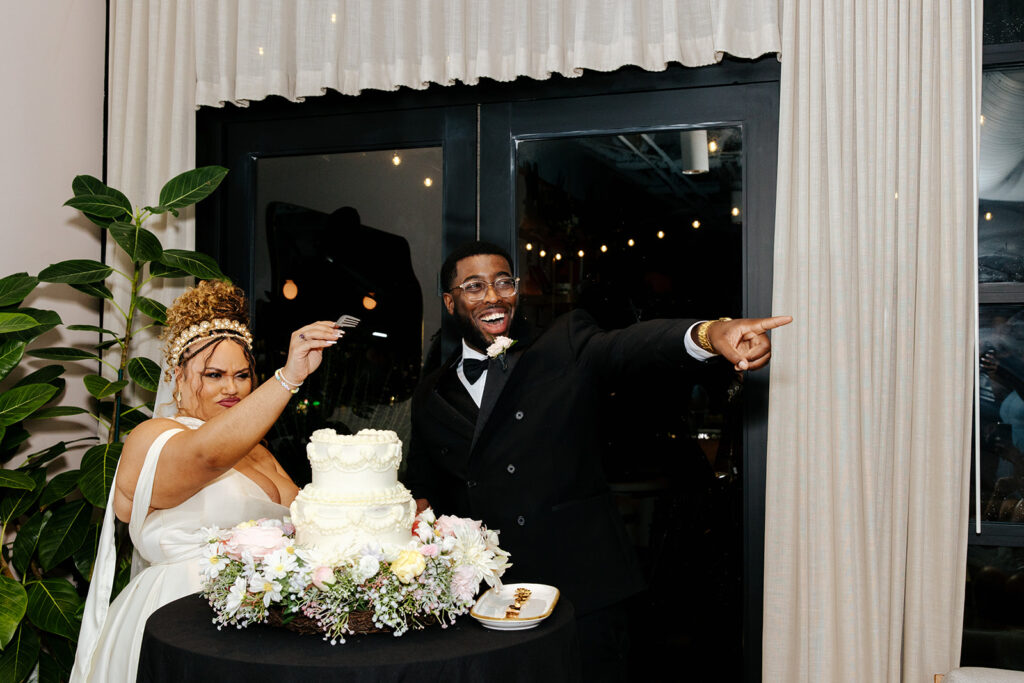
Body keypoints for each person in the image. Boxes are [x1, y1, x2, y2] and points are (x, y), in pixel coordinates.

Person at [403, 241, 791, 680]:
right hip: (486, 599)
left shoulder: (561, 343)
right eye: (474, 287)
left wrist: (709, 335)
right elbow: (424, 488)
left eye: (503, 282)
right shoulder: (431, 392)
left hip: (579, 586)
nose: (493, 296)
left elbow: (629, 346)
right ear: (450, 302)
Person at [71, 280, 345, 682]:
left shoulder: (260, 453)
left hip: (261, 623)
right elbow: (206, 455)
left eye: (242, 375)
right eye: (214, 375)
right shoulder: (154, 437)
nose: (231, 388)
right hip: (181, 616)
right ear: (177, 377)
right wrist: (290, 376)